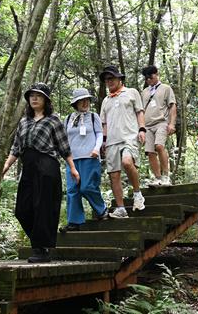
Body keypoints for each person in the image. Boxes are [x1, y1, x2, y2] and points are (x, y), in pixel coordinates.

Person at [3, 83, 79, 263]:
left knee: (43, 208)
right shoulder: (24, 122)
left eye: (39, 96)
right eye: (32, 96)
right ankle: (40, 243)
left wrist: (73, 168)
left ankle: (41, 250)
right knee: (22, 209)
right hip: (28, 167)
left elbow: (64, 147)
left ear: (46, 100)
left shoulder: (53, 120)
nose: (34, 98)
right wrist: (5, 166)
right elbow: (16, 148)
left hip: (47, 166)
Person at [99, 65, 146, 219]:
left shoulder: (131, 92)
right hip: (111, 141)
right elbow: (104, 123)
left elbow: (140, 112)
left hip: (129, 137)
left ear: (120, 79)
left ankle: (137, 194)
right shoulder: (106, 100)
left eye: (112, 78)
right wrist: (103, 141)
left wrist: (142, 129)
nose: (109, 81)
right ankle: (121, 209)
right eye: (107, 79)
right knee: (114, 175)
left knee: (127, 162)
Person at [59, 88, 108, 233]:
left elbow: (99, 134)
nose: (85, 103)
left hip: (90, 157)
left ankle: (101, 210)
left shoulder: (93, 117)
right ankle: (74, 222)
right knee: (72, 191)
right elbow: (64, 138)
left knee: (87, 187)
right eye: (82, 100)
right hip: (72, 160)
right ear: (76, 103)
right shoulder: (68, 119)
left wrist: (96, 149)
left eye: (87, 100)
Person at [140, 65, 177, 187]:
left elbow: (172, 106)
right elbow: (141, 111)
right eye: (146, 78)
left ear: (156, 74)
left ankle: (166, 176)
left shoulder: (166, 88)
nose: (149, 80)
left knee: (159, 146)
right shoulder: (144, 92)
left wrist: (172, 123)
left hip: (161, 122)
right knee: (150, 152)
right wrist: (140, 128)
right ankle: (157, 178)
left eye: (151, 77)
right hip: (147, 125)